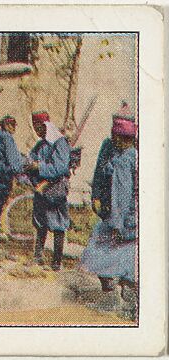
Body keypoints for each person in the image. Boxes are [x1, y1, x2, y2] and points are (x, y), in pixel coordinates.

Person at [80, 102, 137, 306]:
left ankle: (125, 297)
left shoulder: (131, 157)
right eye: (117, 138)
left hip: (128, 217)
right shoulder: (108, 147)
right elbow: (98, 173)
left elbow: (130, 193)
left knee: (124, 259)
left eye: (125, 139)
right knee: (97, 254)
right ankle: (111, 293)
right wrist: (96, 195)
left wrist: (122, 222)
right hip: (110, 211)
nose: (119, 142)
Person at [25, 111, 71, 271]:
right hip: (41, 188)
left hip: (56, 188)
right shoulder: (41, 144)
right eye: (35, 127)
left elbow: (60, 167)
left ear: (46, 126)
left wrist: (40, 167)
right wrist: (30, 164)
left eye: (39, 127)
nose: (37, 131)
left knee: (58, 223)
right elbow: (31, 158)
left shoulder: (60, 143)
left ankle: (57, 262)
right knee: (40, 222)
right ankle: (38, 257)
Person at [0, 115, 24, 227]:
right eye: (12, 125)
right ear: (6, 125)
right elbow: (12, 158)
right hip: (3, 172)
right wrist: (18, 170)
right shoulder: (7, 137)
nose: (14, 128)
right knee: (0, 198)